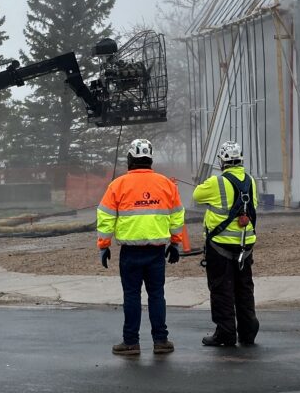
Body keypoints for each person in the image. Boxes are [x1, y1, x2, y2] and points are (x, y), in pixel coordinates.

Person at [97, 138, 184, 356]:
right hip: (156, 252)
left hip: (130, 253)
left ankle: (131, 343)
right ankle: (161, 341)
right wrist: (175, 243)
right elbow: (177, 216)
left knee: (132, 296)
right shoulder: (166, 184)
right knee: (156, 295)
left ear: (129, 159)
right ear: (150, 159)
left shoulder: (118, 185)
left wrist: (104, 245)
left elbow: (106, 217)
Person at [192, 140, 259, 347]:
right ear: (241, 159)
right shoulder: (251, 181)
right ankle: (248, 332)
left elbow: (196, 196)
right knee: (244, 288)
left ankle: (226, 333)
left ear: (222, 161)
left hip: (220, 246)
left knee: (222, 289)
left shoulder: (216, 182)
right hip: (245, 246)